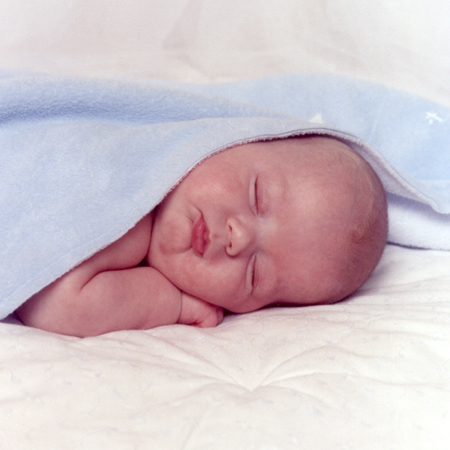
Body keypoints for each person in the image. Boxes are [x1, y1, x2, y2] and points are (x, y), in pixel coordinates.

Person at [16, 136, 388, 337]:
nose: (237, 238)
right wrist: (170, 302)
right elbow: (58, 302)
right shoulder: (136, 214)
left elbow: (44, 287)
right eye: (257, 196)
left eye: (254, 275)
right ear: (236, 139)